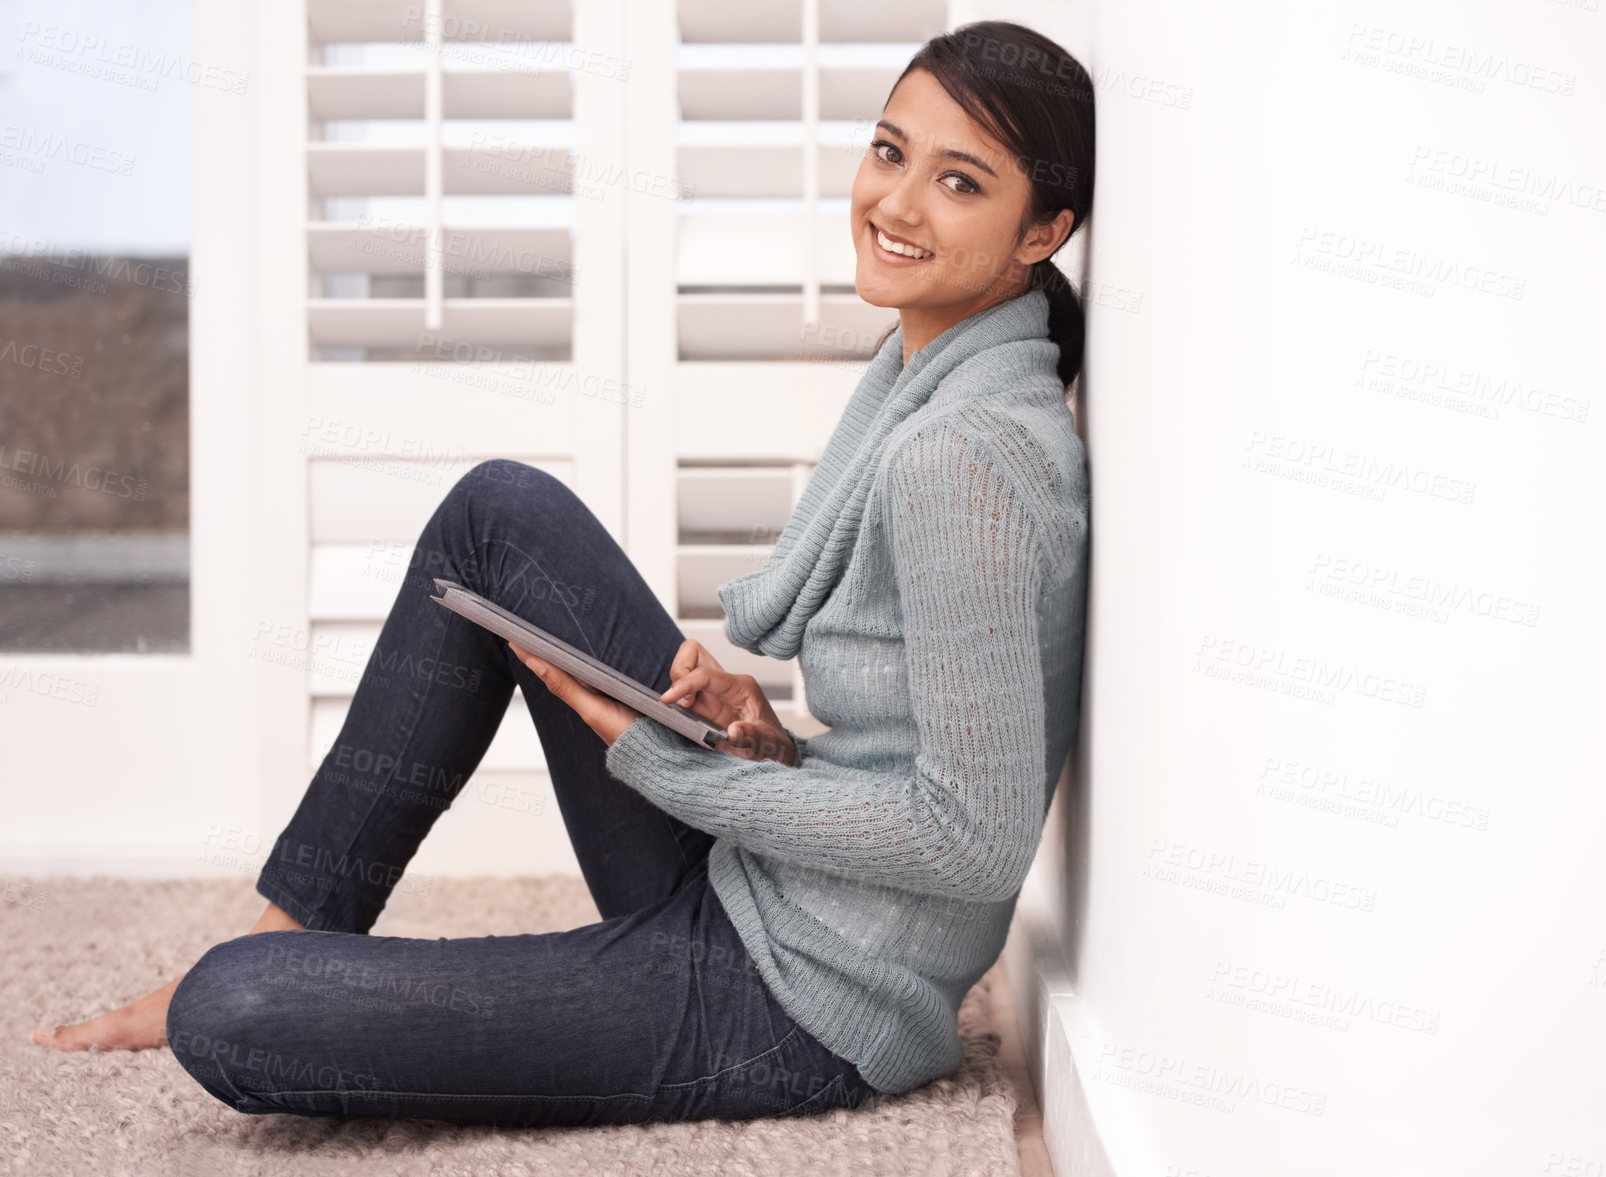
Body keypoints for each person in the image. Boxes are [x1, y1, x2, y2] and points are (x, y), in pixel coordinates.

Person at [32, 19, 1096, 1128]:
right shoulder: (936, 384)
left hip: (795, 1007)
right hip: (759, 884)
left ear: (1044, 230)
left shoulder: (959, 456)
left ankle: (286, 968)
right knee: (502, 514)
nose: (897, 204)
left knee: (229, 1012)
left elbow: (969, 838)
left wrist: (678, 776)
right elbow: (913, 751)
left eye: (960, 182)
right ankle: (292, 925)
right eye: (889, 152)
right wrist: (772, 748)